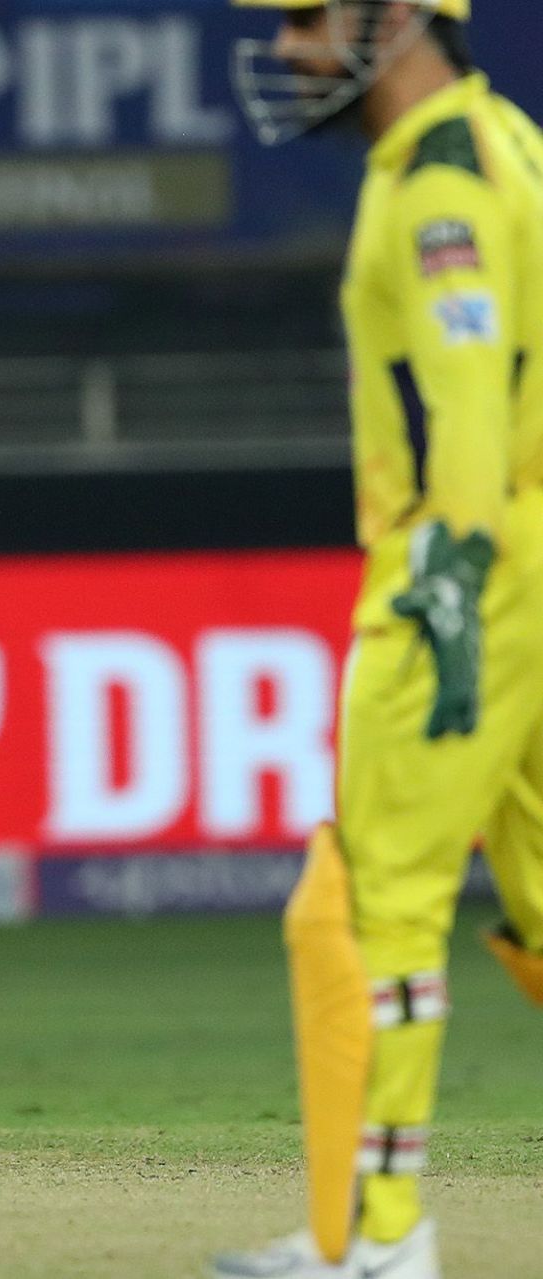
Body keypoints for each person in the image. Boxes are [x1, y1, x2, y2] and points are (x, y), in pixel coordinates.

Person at [220, 3, 543, 1276]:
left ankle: (381, 1241)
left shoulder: (437, 179)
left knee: (381, 905)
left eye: (309, 19)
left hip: (460, 558)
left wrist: (452, 572)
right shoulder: (510, 138)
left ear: (400, 19)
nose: (291, 48)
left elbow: (464, 382)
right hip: (530, 549)